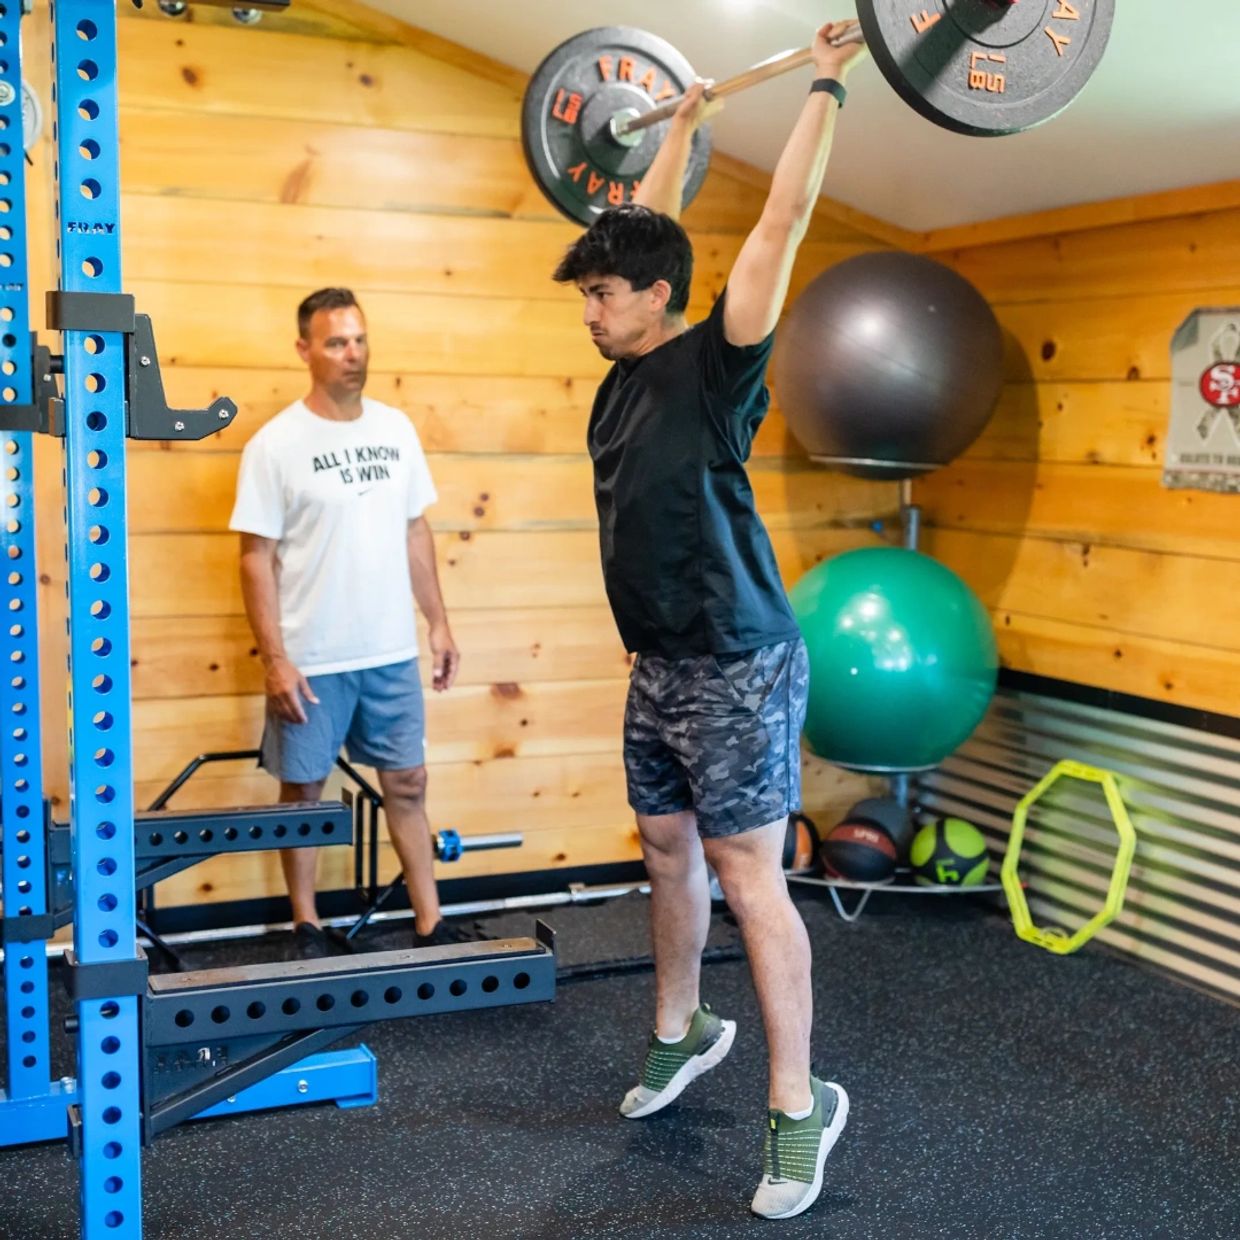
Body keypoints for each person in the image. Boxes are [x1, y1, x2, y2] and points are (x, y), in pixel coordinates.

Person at [550, 19, 867, 1222]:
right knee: (665, 849)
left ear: (660, 300)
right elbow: (640, 215)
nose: (589, 306)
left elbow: (777, 224)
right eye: (587, 290)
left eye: (602, 292)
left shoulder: (720, 356)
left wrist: (831, 78)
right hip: (660, 666)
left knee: (748, 874)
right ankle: (682, 1029)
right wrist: (678, 122)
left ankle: (800, 1106)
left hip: (738, 661)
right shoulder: (619, 373)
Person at [229, 287, 466, 959]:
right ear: (304, 350)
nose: (352, 353)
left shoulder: (395, 430)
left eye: (359, 339)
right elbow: (255, 558)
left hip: (388, 652)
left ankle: (430, 922)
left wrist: (439, 624)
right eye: (336, 342)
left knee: (409, 784)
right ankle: (305, 926)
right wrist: (274, 657)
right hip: (312, 658)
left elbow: (416, 531)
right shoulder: (275, 445)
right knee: (304, 791)